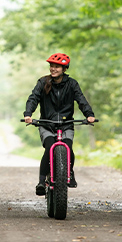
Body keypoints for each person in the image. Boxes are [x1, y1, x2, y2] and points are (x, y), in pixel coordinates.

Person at [23, 52, 96, 196]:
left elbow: (81, 100)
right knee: (50, 147)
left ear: (64, 69)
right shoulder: (43, 82)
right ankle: (41, 181)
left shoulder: (72, 84)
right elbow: (33, 98)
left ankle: (70, 172)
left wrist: (89, 115)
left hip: (66, 124)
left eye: (57, 66)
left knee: (68, 147)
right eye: (51, 66)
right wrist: (28, 114)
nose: (53, 69)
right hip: (47, 124)